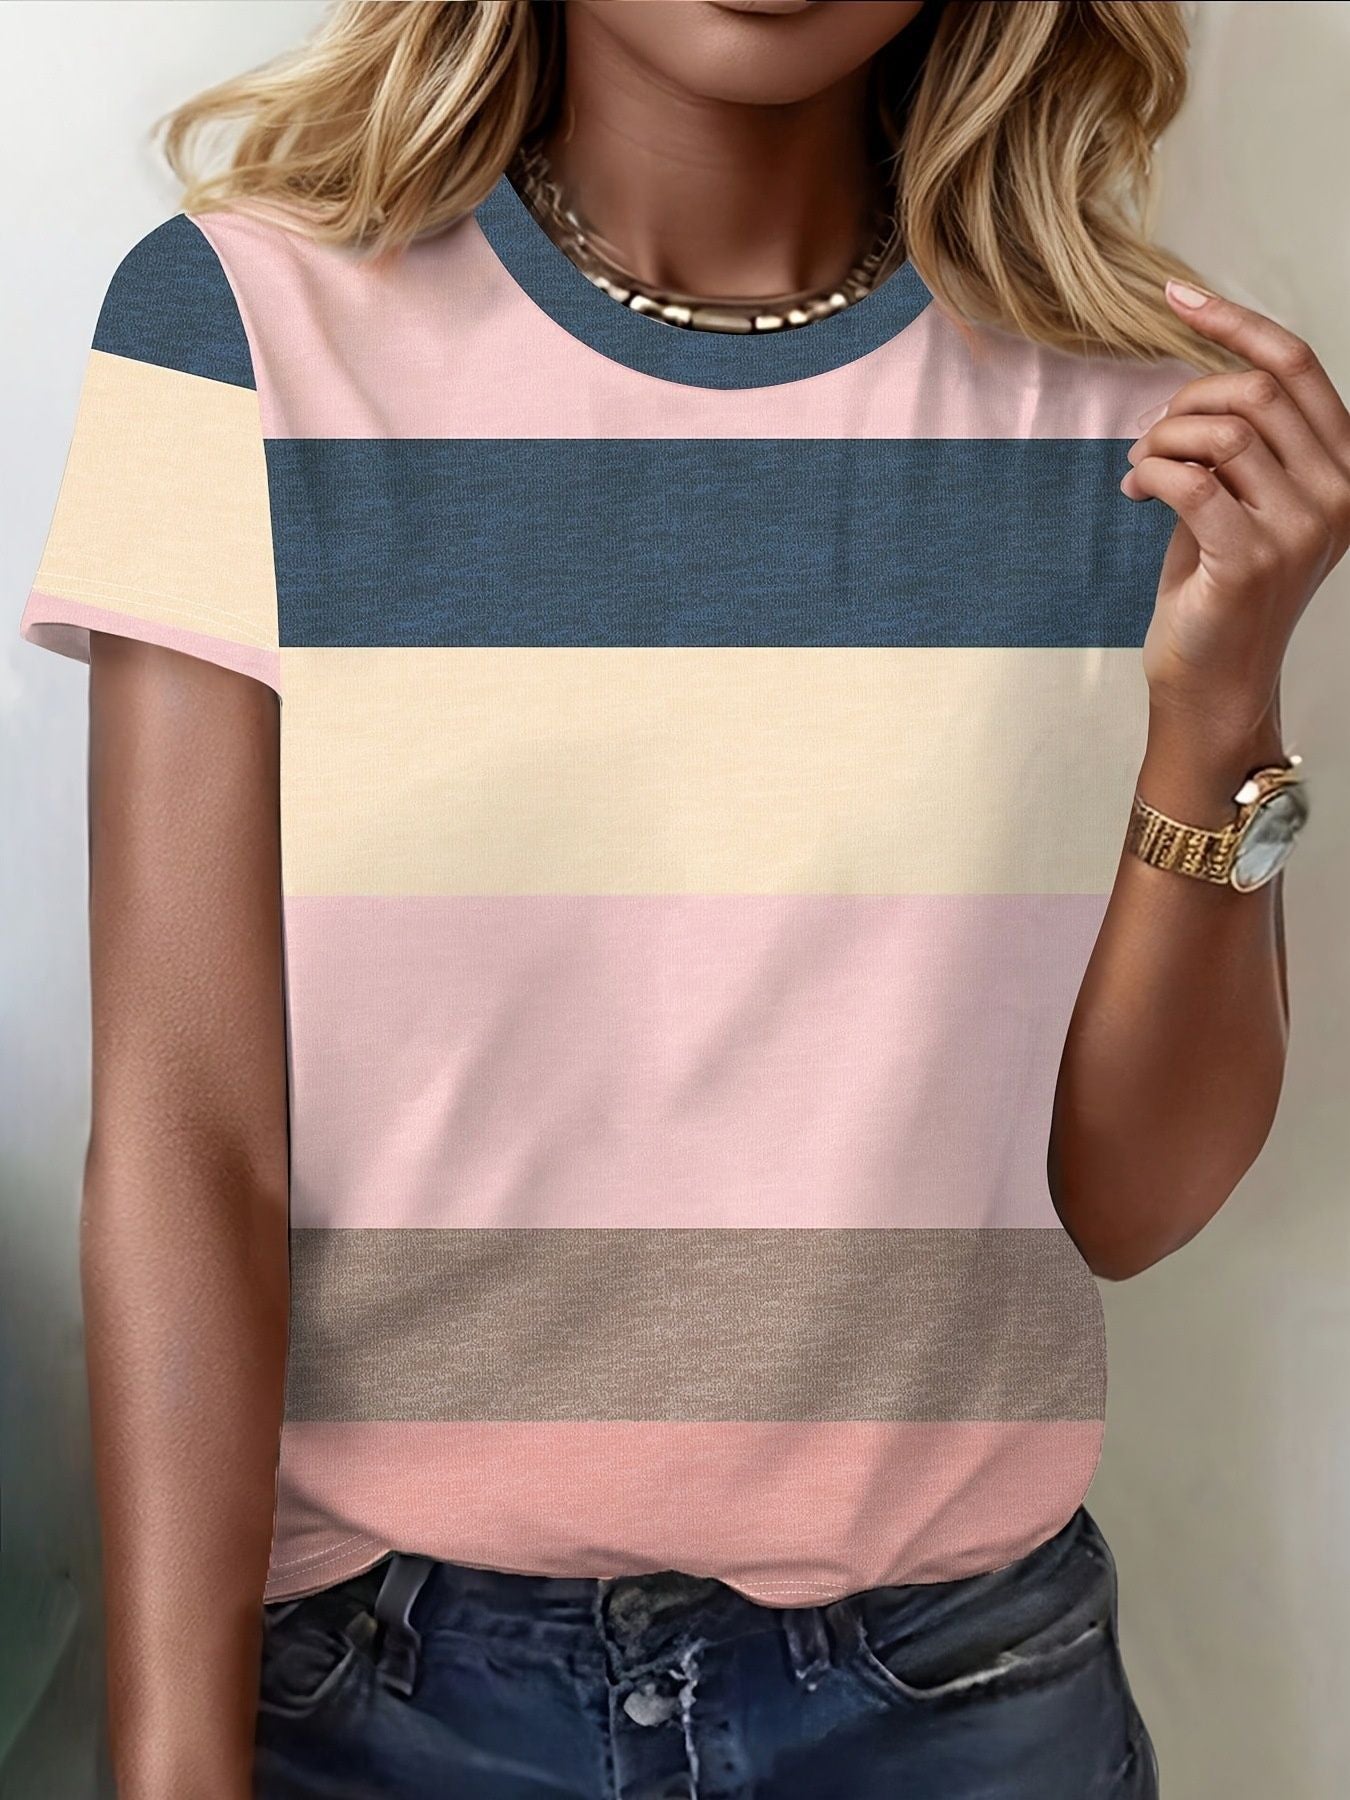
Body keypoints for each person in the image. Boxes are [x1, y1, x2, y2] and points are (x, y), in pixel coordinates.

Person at [17, 1, 1350, 1795]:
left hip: (953, 1700)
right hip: (377, 1698)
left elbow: (1130, 1203)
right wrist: (174, 1771)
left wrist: (1221, 714)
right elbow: (188, 1141)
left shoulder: (1138, 410)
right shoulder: (246, 327)